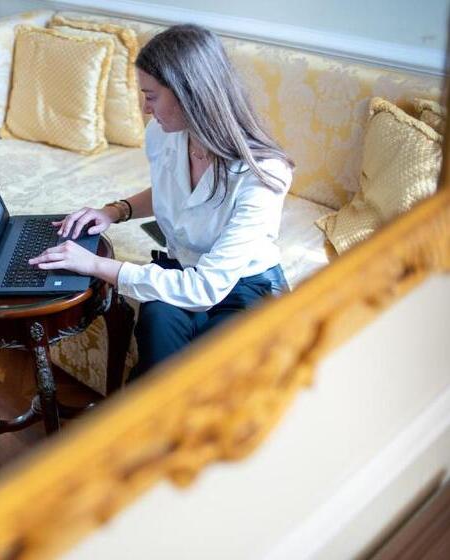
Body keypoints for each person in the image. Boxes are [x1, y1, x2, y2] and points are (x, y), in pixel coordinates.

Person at [28, 24, 294, 381]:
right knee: (157, 334)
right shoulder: (165, 133)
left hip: (243, 287)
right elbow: (172, 194)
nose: (144, 108)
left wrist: (94, 265)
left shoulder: (262, 175)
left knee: (205, 376)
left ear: (188, 95)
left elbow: (205, 289)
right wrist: (113, 211)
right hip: (183, 268)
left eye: (151, 96)